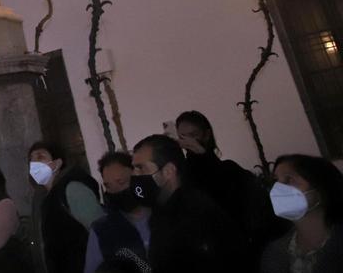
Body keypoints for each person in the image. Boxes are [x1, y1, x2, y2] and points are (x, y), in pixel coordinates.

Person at [175, 109, 285, 267]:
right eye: (183, 137)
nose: (188, 142)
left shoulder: (229, 169)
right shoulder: (183, 174)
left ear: (206, 134)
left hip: (245, 249)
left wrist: (203, 155)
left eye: (193, 135)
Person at [131, 134, 244, 272]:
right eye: (134, 169)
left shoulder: (196, 214)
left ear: (168, 171)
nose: (135, 176)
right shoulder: (162, 211)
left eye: (141, 168)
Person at [27, 141, 103, 273]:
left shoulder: (72, 189)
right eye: (31, 160)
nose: (34, 164)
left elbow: (101, 231)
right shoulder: (41, 197)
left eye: (40, 157)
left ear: (57, 163)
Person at [259, 153, 343, 272]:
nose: (277, 189)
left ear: (320, 189)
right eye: (276, 181)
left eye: (289, 179)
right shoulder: (273, 253)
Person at [84, 152, 150, 273]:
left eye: (121, 183)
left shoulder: (165, 216)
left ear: (136, 176)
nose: (116, 191)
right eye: (108, 186)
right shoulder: (101, 230)